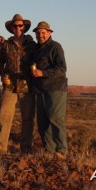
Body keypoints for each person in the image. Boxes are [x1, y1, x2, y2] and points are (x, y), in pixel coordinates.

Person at [0, 14, 36, 154]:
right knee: (4, 116)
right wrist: (2, 76)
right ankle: (0, 147)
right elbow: (0, 63)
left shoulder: (32, 44)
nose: (18, 28)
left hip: (27, 85)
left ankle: (26, 148)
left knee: (28, 118)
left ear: (24, 27)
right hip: (10, 86)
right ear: (11, 28)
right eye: (15, 26)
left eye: (20, 25)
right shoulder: (6, 44)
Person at [31, 21, 68, 159]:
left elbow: (62, 68)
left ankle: (62, 150)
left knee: (56, 119)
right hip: (40, 90)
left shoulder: (55, 47)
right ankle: (49, 150)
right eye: (38, 33)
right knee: (42, 122)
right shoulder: (36, 49)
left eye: (43, 32)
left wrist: (42, 73)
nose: (40, 35)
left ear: (49, 33)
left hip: (55, 89)